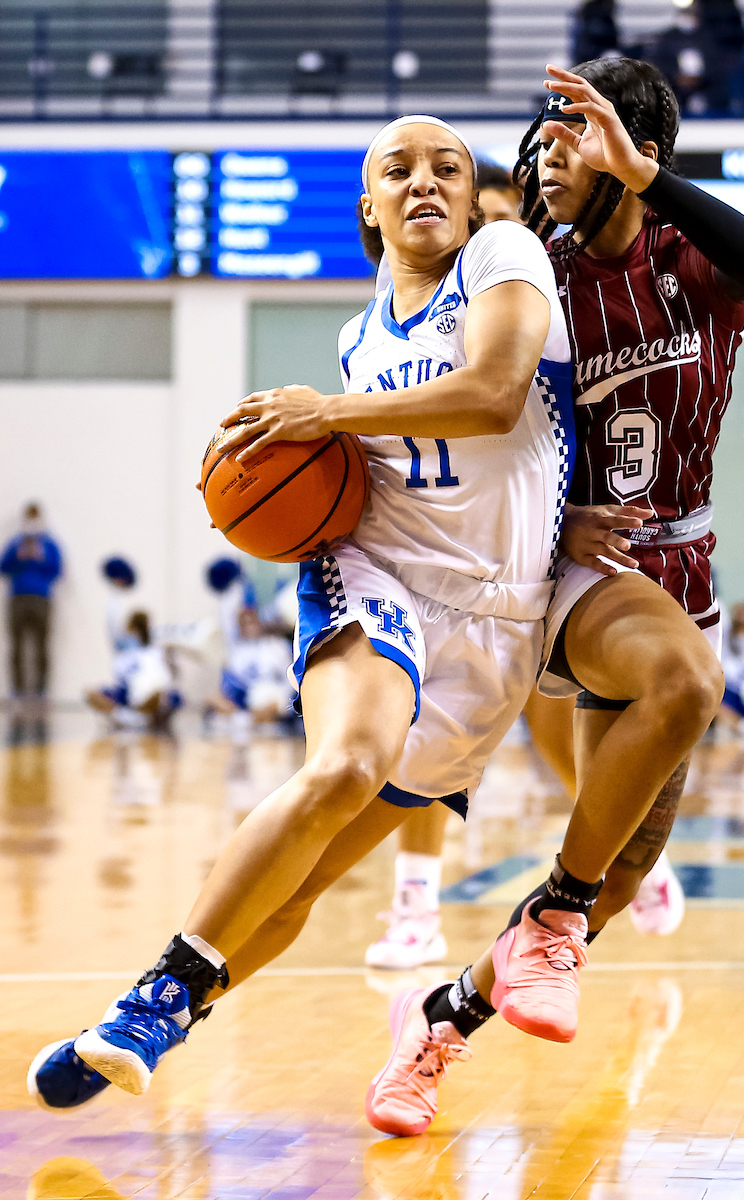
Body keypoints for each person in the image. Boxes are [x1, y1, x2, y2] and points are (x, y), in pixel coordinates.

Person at [28, 112, 582, 1111]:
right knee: (343, 763)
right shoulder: (358, 336)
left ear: (471, 197)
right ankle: (149, 1003)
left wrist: (324, 413)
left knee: (308, 879)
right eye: (397, 170)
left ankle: (168, 1007)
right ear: (366, 206)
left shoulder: (505, 253)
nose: (424, 182)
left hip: (499, 626)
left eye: (446, 168)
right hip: (379, 571)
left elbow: (499, 395)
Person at [364, 56, 744, 1136]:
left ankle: (443, 1021)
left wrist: (649, 176)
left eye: (568, 144)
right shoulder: (534, 277)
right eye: (541, 142)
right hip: (570, 572)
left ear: (626, 155)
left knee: (606, 875)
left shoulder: (688, 260)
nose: (544, 162)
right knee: (688, 689)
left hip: (682, 569)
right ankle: (519, 917)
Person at [364, 159, 576, 972]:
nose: (483, 232)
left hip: (540, 554)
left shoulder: (533, 298)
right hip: (446, 565)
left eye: (499, 220)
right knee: (419, 735)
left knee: (556, 738)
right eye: (475, 217)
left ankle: (628, 847)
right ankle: (415, 903)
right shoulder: (388, 328)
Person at [0, 502, 62, 698]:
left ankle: (41, 690)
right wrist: (17, 557)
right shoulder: (16, 543)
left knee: (41, 644)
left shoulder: (49, 544)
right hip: (18, 598)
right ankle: (17, 689)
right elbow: (3, 567)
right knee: (16, 644)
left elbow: (57, 570)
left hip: (41, 598)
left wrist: (40, 557)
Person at [86, 611, 182, 733]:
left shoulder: (156, 648)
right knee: (93, 693)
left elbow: (168, 676)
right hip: (127, 693)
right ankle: (132, 716)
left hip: (149, 693)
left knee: (168, 697)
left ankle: (135, 716)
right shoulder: (124, 647)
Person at [204, 606, 294, 733]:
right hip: (246, 702)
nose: (249, 627)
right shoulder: (234, 653)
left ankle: (246, 720)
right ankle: (245, 719)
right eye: (244, 623)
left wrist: (282, 701)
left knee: (270, 707)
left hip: (274, 699)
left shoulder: (278, 647)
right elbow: (229, 687)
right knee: (212, 701)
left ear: (260, 622)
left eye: (252, 622)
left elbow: (291, 680)